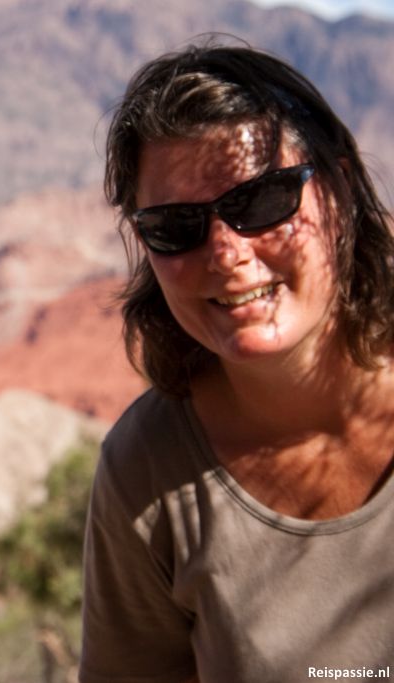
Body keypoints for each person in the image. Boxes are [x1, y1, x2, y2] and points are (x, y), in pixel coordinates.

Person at [81, 40, 394, 682]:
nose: (226, 253)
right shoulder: (148, 471)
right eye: (176, 225)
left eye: (260, 202)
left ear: (337, 192)